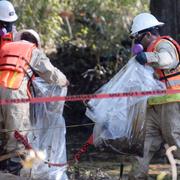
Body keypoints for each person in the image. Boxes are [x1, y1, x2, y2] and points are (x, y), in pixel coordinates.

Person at [0, 0, 69, 175]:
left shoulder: (5, 48)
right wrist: (65, 82)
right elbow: (52, 74)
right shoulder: (31, 50)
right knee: (19, 145)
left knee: (5, 142)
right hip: (14, 97)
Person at [128, 13, 180, 179]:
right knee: (143, 144)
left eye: (138, 38)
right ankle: (137, 176)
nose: (137, 42)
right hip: (153, 105)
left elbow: (167, 60)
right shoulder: (147, 51)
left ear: (148, 34)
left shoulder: (163, 44)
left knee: (175, 139)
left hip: (172, 101)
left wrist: (148, 57)